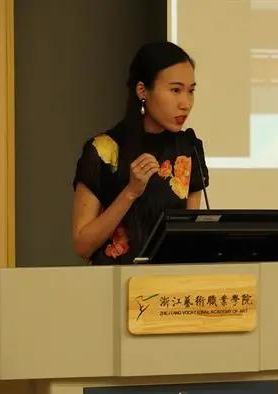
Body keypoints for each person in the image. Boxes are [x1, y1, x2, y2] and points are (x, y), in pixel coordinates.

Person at [71, 42, 209, 265]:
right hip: (112, 281)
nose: (186, 103)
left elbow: (189, 238)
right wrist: (131, 191)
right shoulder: (103, 150)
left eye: (191, 91)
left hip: (171, 281)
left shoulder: (188, 148)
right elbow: (82, 245)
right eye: (175, 90)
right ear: (142, 90)